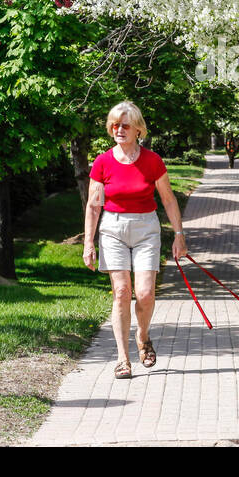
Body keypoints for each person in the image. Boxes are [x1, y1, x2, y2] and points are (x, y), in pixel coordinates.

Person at [82, 101, 188, 379]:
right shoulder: (102, 162)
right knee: (121, 292)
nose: (118, 129)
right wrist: (88, 243)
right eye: (114, 125)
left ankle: (143, 336)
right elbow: (93, 205)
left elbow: (168, 198)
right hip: (113, 229)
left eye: (125, 125)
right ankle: (122, 359)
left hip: (146, 228)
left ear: (138, 129)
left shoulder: (152, 161)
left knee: (144, 293)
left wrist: (179, 235)